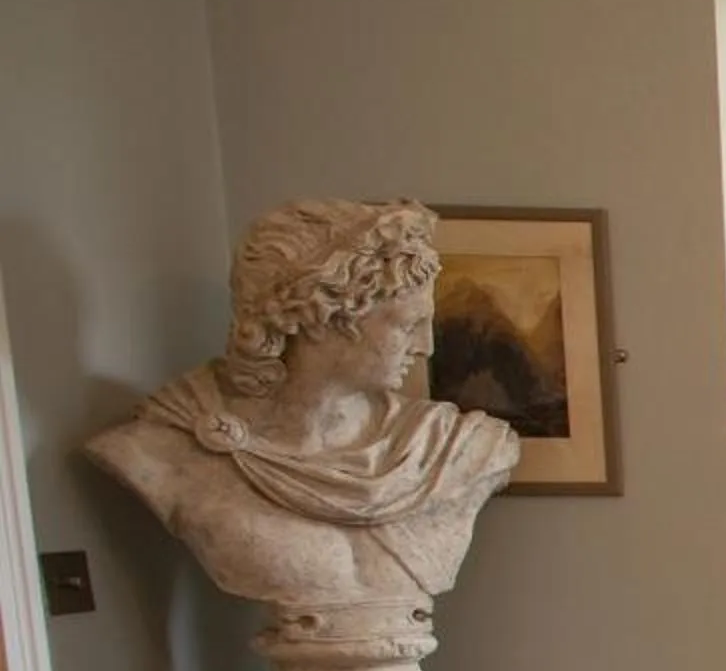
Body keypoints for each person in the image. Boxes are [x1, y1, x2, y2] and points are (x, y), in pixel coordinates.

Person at [88, 199, 519, 608]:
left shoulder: (456, 447)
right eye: (408, 326)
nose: (425, 347)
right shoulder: (166, 449)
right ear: (322, 317)